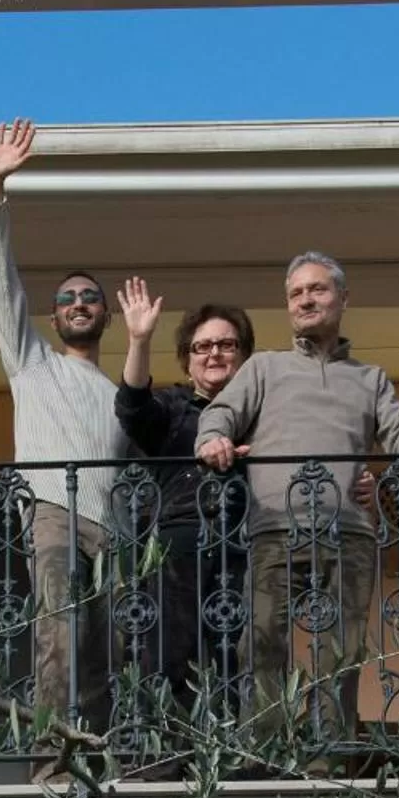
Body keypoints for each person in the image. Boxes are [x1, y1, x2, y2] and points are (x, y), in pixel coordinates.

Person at [196, 251, 399, 749]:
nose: (305, 300)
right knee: (263, 642)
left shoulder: (370, 378)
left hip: (349, 533)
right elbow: (219, 416)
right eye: (296, 293)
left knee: (340, 652)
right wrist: (212, 441)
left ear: (342, 298)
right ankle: (265, 752)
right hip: (274, 526)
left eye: (316, 289)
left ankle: (327, 755)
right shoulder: (264, 368)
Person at [0, 119, 127, 740]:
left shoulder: (123, 395)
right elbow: (1, 283)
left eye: (89, 297)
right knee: (60, 637)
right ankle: (53, 763)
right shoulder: (31, 361)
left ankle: (98, 760)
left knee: (111, 651)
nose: (78, 302)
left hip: (117, 529)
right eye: (67, 296)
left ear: (105, 314)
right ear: (53, 314)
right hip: (54, 512)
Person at [112, 282, 255, 704]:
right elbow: (132, 408)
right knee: (168, 656)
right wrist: (139, 340)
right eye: (202, 346)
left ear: (244, 354)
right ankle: (166, 763)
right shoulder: (173, 407)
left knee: (239, 659)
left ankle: (237, 763)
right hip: (178, 547)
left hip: (246, 545)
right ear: (187, 360)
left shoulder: (263, 410)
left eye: (227, 344)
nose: (214, 353)